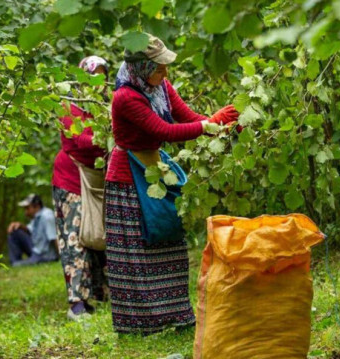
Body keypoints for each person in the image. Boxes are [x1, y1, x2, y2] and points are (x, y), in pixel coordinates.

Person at [104, 34, 239, 334]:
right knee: (137, 250)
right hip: (128, 177)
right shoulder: (125, 97)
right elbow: (164, 129)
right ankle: (140, 324)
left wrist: (220, 125)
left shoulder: (161, 87)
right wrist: (206, 126)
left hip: (155, 169)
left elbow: (188, 118)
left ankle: (176, 315)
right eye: (159, 67)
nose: (166, 72)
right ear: (141, 67)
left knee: (168, 239)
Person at [52, 56, 109, 320]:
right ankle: (76, 303)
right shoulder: (69, 108)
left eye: (102, 75)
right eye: (92, 76)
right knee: (75, 238)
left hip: (97, 182)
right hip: (71, 180)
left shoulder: (104, 107)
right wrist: (109, 137)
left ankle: (101, 295)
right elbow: (82, 141)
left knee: (99, 236)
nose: (98, 81)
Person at [7, 194, 59, 266]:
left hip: (45, 255)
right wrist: (20, 226)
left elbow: (54, 238)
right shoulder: (37, 217)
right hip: (36, 249)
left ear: (36, 206)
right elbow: (30, 230)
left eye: (27, 208)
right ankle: (15, 262)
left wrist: (61, 258)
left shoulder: (47, 217)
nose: (26, 212)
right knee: (15, 233)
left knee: (17, 265)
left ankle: (16, 264)